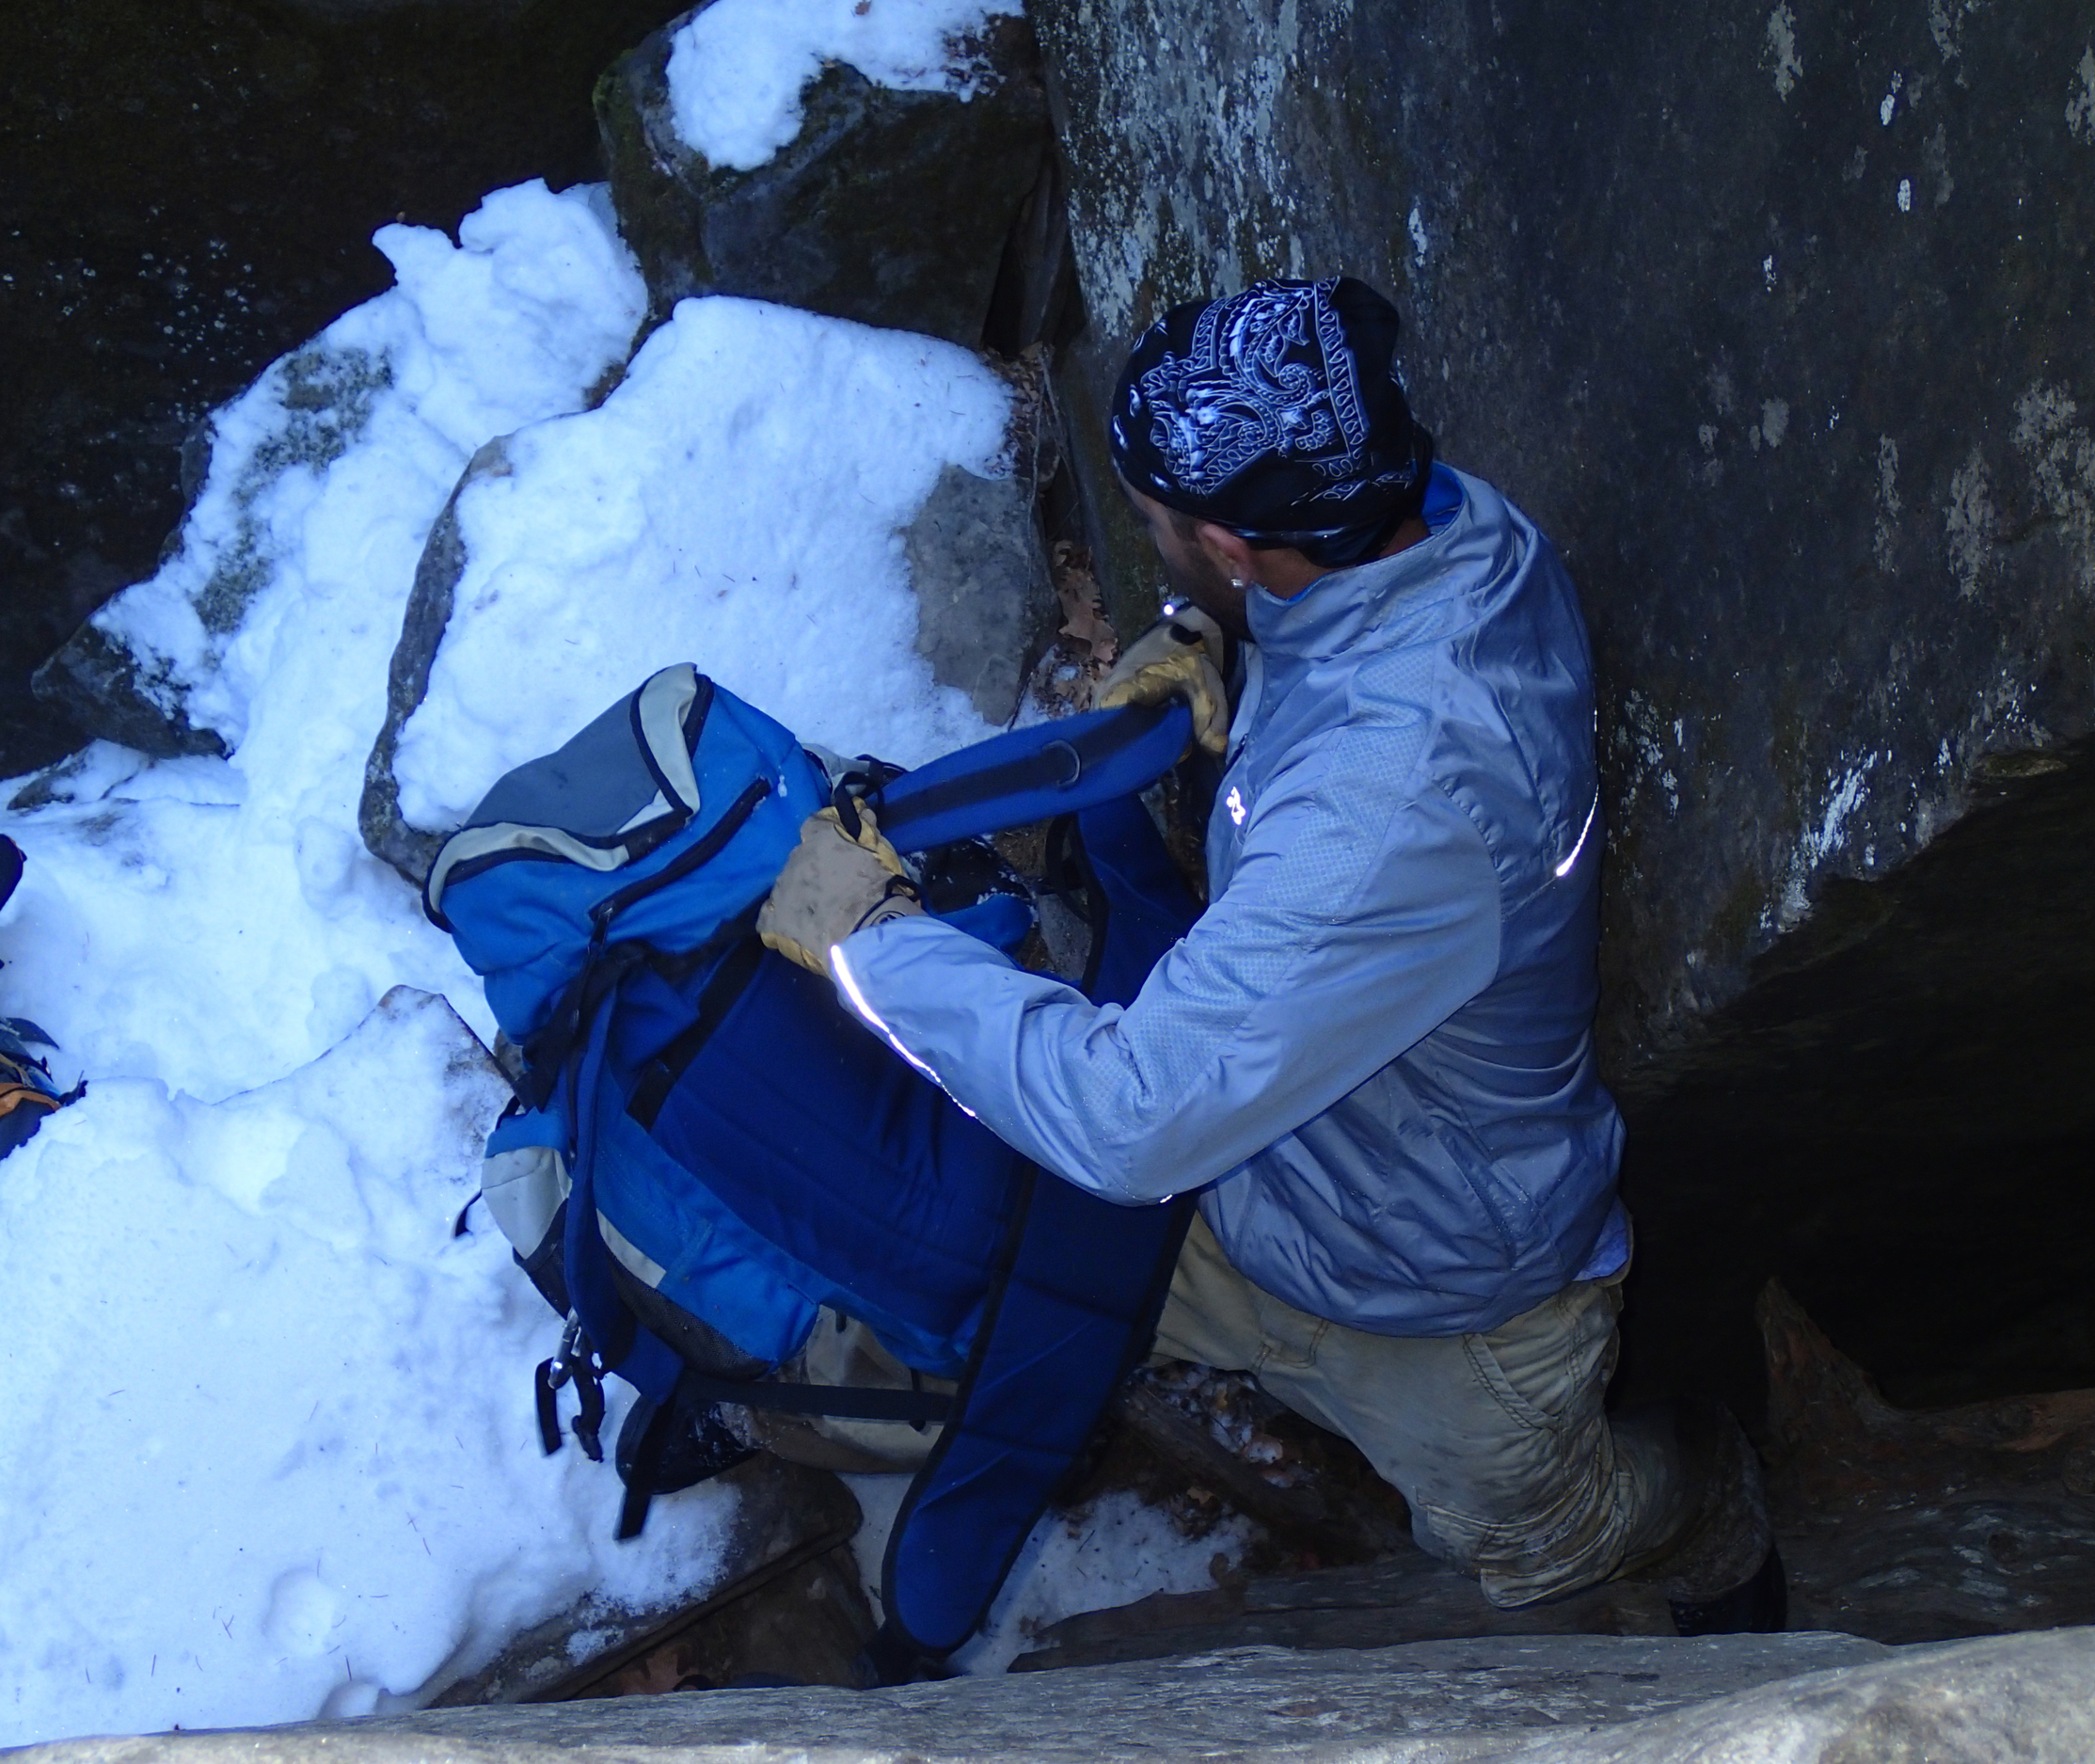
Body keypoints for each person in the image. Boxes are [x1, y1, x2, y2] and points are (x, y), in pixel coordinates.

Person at [757, 277, 1780, 1629]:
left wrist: (872, 942)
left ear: (1237, 542)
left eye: (1158, 527)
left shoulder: (1394, 797)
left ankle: (1723, 1513)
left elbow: (1135, 1120)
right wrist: (1223, 661)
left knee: (1544, 1543)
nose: (1152, 545)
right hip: (1263, 1188)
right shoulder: (1429, 533)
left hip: (1447, 1306)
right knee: (973, 1254)